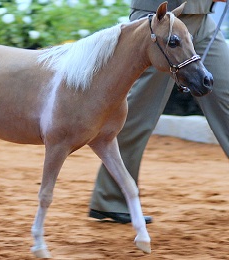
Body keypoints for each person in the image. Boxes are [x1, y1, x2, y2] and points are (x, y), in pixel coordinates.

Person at [89, 0, 229, 224]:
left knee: (226, 96)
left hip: (201, 20)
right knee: (136, 115)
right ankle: (112, 198)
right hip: (159, 22)